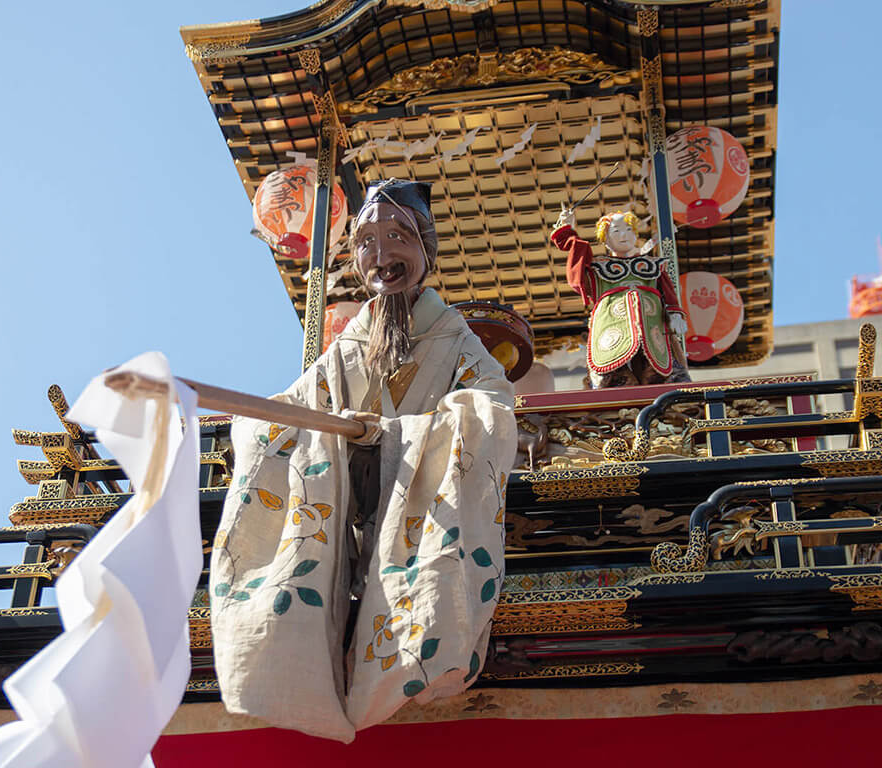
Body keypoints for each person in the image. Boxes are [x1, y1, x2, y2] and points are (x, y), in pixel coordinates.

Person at [210, 179, 517, 742]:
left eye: (398, 237)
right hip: (349, 524)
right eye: (367, 242)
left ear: (425, 250)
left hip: (423, 523)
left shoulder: (452, 337)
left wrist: (406, 436)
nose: (381, 255)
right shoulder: (348, 345)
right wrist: (258, 421)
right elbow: (299, 408)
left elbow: (489, 407)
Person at [551, 206, 691, 388]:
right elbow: (577, 277)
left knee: (661, 372)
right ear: (606, 240)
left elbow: (669, 294)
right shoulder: (599, 268)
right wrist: (569, 233)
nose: (623, 235)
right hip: (611, 325)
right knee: (613, 376)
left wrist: (675, 314)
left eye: (628, 230)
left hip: (652, 325)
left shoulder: (652, 265)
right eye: (616, 231)